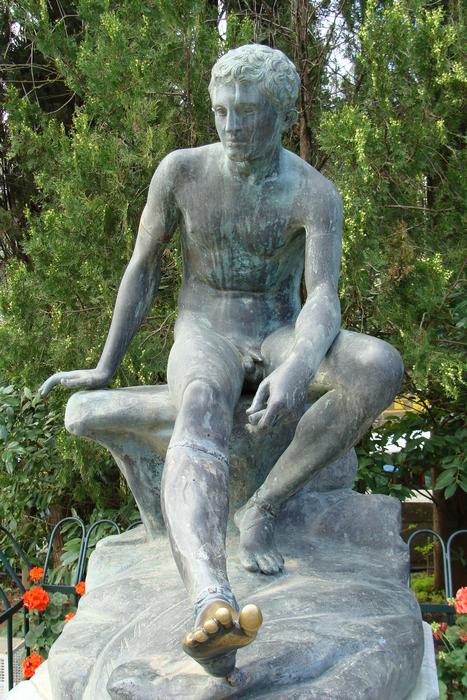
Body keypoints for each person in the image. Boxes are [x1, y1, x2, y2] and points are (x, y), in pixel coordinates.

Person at [40, 44, 404, 677]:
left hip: (278, 330)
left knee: (379, 366)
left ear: (283, 114)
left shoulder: (314, 193)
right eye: (221, 111)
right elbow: (143, 268)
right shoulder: (181, 172)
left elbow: (322, 296)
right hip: (206, 329)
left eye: (249, 112)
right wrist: (104, 368)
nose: (232, 125)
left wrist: (298, 368)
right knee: (201, 407)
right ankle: (211, 600)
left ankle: (262, 507)